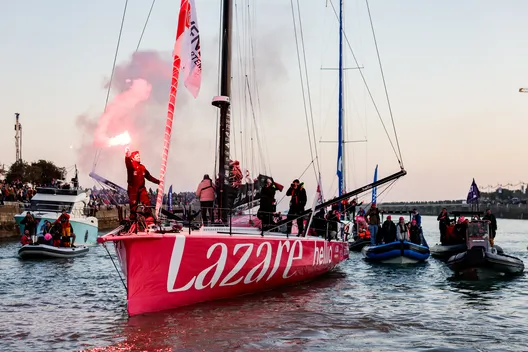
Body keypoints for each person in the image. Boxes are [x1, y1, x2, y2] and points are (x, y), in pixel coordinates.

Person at [125, 147, 160, 221]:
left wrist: (158, 182)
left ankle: (149, 218)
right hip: (133, 189)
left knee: (147, 202)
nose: (139, 157)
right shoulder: (131, 166)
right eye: (137, 156)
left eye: (139, 156)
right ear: (133, 158)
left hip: (141, 188)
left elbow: (149, 176)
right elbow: (128, 163)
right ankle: (133, 219)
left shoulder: (142, 167)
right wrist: (127, 155)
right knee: (133, 205)